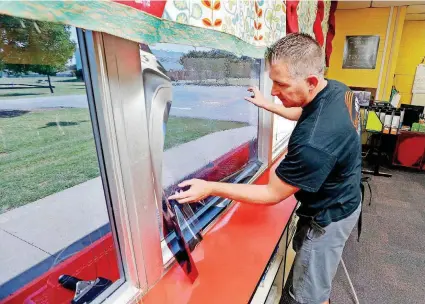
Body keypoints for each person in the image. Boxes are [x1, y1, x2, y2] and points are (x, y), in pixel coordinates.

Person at [169, 33, 362, 304]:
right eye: (272, 81)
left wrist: (211, 187)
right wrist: (267, 105)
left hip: (332, 215)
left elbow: (272, 194)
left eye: (280, 84)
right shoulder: (338, 90)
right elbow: (306, 111)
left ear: (311, 81)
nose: (273, 90)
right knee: (317, 277)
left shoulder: (313, 143)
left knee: (306, 294)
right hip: (347, 194)